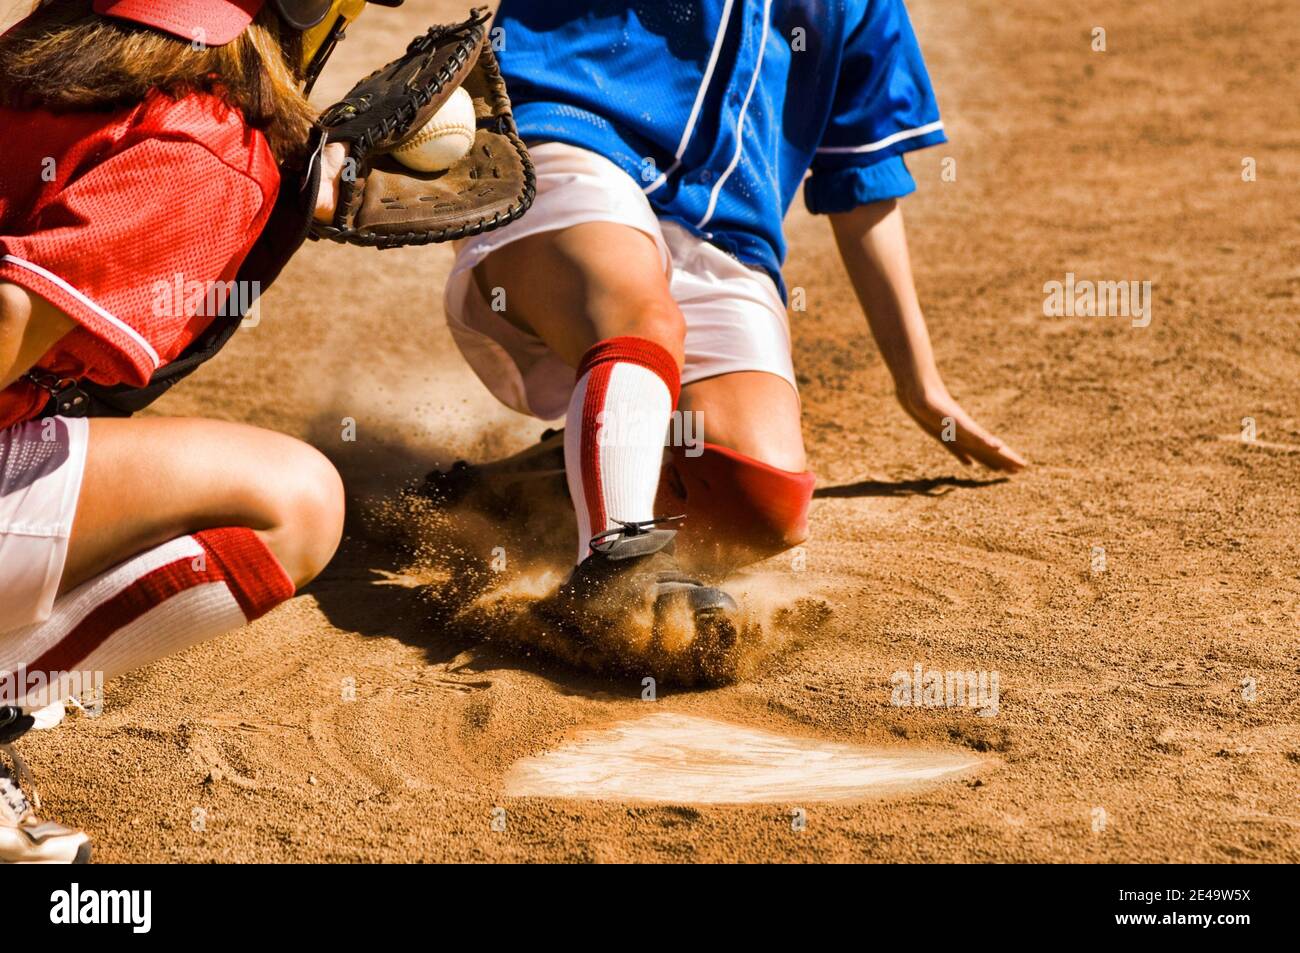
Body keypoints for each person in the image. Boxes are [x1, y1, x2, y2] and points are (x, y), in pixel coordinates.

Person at [426, 1, 1026, 664]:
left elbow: (861, 184)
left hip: (724, 236)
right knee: (641, 319)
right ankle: (612, 568)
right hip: (570, 151)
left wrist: (919, 382)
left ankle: (554, 479)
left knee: (757, 499)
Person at [0, 0, 374, 863]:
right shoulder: (203, 140)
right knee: (296, 502)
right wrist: (244, 180)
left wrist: (279, 194)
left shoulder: (50, 48)